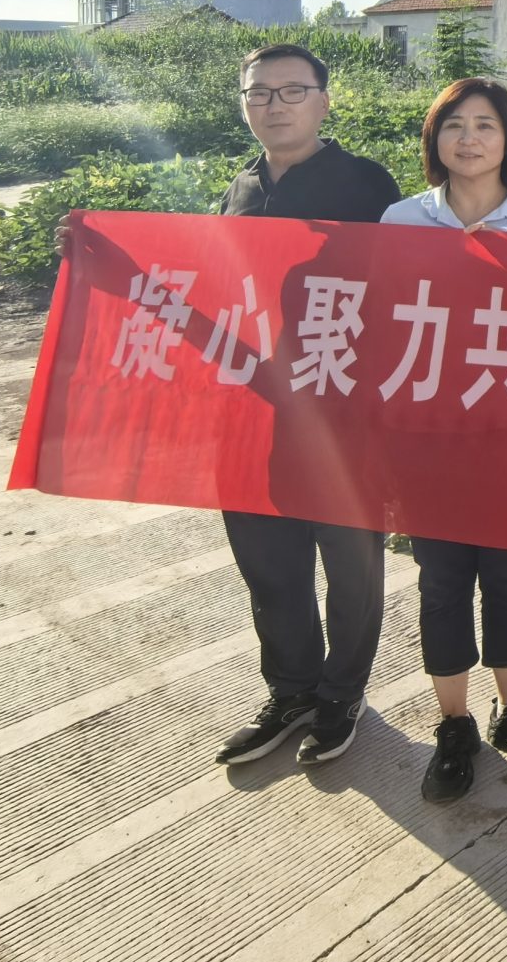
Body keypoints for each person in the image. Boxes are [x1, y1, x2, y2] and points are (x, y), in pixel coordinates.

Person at [380, 77, 507, 802]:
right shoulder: (401, 219)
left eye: (485, 124)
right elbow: (384, 316)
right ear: (435, 138)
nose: (468, 138)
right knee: (441, 579)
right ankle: (453, 721)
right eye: (454, 124)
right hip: (429, 435)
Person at [213, 43, 403, 768]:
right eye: (259, 92)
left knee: (350, 562)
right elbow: (213, 289)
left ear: (324, 101)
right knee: (269, 562)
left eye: (292, 91)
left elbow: (414, 286)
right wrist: (101, 255)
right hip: (258, 411)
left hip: (344, 412)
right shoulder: (239, 188)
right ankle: (290, 688)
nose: (275, 105)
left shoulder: (366, 185)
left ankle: (341, 693)